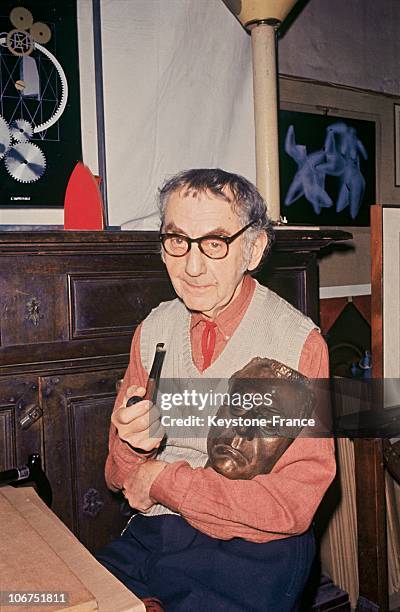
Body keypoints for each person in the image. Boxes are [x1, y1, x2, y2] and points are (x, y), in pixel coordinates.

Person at [96, 169, 336, 611]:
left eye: (215, 243)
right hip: (155, 535)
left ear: (254, 248)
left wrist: (165, 480)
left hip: (251, 551)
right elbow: (119, 479)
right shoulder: (153, 331)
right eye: (177, 240)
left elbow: (291, 506)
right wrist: (133, 449)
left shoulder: (297, 345)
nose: (191, 265)